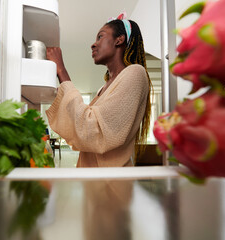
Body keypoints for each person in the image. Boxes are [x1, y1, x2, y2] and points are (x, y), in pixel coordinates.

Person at [45, 13, 152, 167]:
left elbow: (92, 131)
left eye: (100, 37)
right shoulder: (104, 87)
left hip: (112, 185)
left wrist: (61, 70)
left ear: (119, 40)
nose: (93, 44)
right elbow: (81, 127)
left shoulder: (135, 72)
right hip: (93, 182)